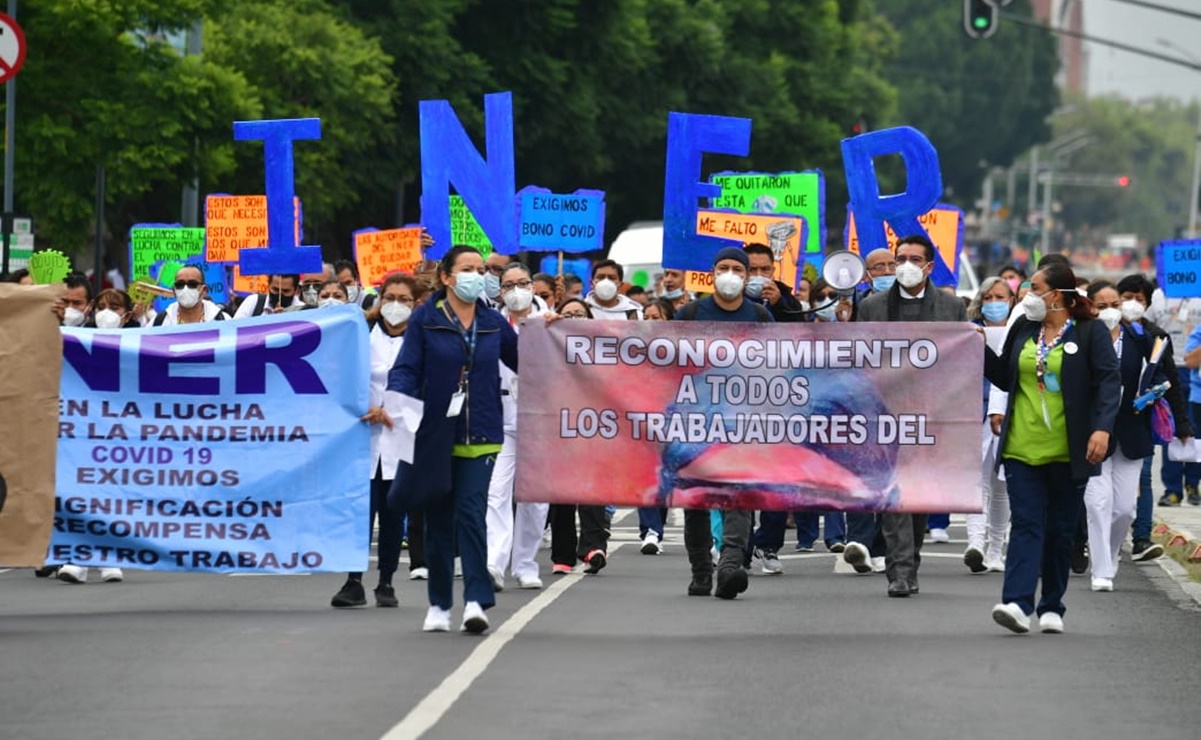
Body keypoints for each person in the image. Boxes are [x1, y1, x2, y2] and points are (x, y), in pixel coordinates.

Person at [386, 246, 518, 634]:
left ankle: (476, 600)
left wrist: (556, 334)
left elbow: (527, 359)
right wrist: (395, 407)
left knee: (471, 513)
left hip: (484, 433)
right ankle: (440, 604)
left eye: (480, 270)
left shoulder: (494, 322)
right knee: (439, 520)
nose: (477, 276)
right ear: (446, 277)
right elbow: (406, 370)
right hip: (436, 435)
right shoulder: (425, 320)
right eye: (467, 269)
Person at [984, 262, 1120, 634]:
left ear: (1055, 295)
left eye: (1035, 288)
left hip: (1070, 450)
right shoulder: (1024, 328)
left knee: (1060, 530)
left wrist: (1102, 430)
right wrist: (978, 346)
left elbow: (1110, 383)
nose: (1028, 295)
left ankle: (1051, 605)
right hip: (1020, 448)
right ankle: (1016, 603)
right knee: (1026, 523)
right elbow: (1002, 375)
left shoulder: (1090, 333)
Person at [856, 234, 967, 598]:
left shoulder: (951, 309)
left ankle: (911, 558)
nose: (904, 265)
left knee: (919, 495)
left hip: (933, 415)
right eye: (900, 257)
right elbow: (858, 359)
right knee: (894, 494)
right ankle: (899, 570)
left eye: (913, 259)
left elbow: (961, 363)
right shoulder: (872, 307)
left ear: (929, 266)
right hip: (886, 413)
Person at [675, 247, 773, 600]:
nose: (730, 274)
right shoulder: (690, 313)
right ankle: (701, 570)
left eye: (737, 269)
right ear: (712, 273)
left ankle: (731, 566)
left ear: (747, 277)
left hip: (744, 424)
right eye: (723, 268)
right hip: (695, 423)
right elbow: (663, 360)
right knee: (697, 501)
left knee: (739, 494)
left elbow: (781, 363)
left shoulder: (759, 316)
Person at [1080, 280, 1189, 593]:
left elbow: (1163, 375)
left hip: (1132, 429)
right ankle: (1100, 570)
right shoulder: (1081, 338)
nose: (1111, 311)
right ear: (1090, 307)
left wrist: (1155, 393)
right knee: (1097, 502)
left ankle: (1111, 554)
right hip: (1093, 432)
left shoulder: (1143, 339)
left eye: (1115, 304)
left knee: (1124, 508)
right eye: (1102, 306)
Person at [331, 273, 421, 608]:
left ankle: (386, 582)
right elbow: (340, 376)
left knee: (393, 511)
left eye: (405, 299)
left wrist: (393, 412)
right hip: (360, 433)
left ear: (415, 304)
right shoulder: (361, 334)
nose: (396, 305)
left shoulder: (421, 339)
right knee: (359, 511)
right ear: (380, 300)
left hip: (401, 433)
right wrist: (364, 408)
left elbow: (426, 383)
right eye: (390, 297)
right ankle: (353, 581)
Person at [486, 263, 549, 590]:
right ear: (500, 290)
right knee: (496, 492)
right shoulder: (490, 323)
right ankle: (494, 563)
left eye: (522, 283)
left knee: (535, 498)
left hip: (542, 422)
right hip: (501, 418)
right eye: (508, 285)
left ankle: (525, 564)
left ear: (533, 286)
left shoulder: (553, 322)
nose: (516, 290)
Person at [545, 297, 614, 576]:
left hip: (593, 426)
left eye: (580, 314)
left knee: (592, 488)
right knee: (561, 492)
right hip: (557, 426)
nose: (574, 318)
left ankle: (593, 548)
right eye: (568, 314)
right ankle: (563, 554)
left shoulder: (604, 349)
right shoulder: (548, 348)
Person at [964, 276, 1015, 574]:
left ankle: (996, 550)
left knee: (1001, 488)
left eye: (1000, 296)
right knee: (977, 482)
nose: (994, 302)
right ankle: (975, 544)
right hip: (976, 414)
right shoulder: (970, 332)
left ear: (1010, 301)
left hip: (1011, 416)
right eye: (989, 297)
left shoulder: (1021, 332)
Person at [743, 243, 804, 321]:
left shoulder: (787, 299)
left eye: (765, 269)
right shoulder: (732, 298)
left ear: (773, 270)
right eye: (752, 270)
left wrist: (778, 304)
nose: (759, 275)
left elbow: (798, 328)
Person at [153, 266, 230, 325]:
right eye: (180, 284)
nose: (185, 289)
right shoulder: (160, 322)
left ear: (204, 290)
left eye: (192, 284)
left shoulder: (222, 320)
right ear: (174, 290)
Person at [234, 274, 300, 317]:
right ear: (268, 285)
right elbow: (234, 330)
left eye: (286, 291)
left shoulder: (303, 311)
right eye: (275, 289)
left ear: (296, 290)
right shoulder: (253, 302)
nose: (280, 295)